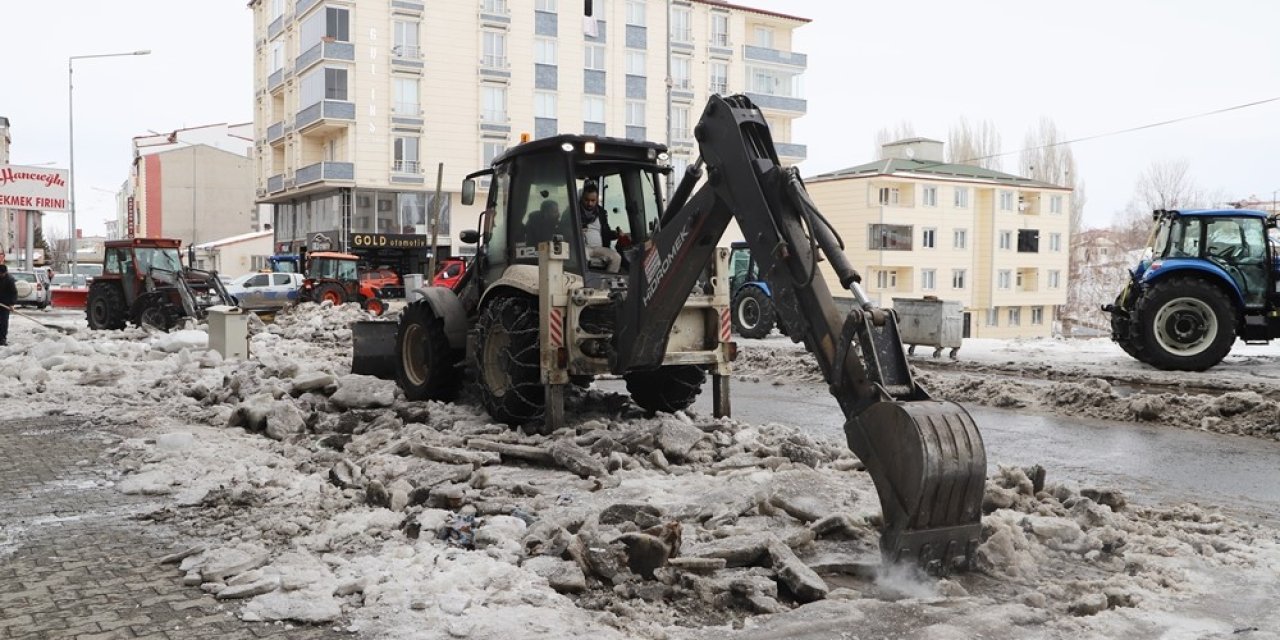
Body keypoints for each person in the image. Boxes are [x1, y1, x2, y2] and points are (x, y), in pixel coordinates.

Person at [579, 184, 622, 273]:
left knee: (616, 257)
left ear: (597, 200)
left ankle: (608, 282)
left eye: (592, 200)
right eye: (586, 200)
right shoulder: (573, 211)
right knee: (582, 258)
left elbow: (606, 232)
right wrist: (577, 232)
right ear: (582, 198)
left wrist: (616, 234)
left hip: (598, 248)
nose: (589, 203)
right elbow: (564, 230)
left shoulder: (601, 213)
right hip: (582, 247)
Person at [0, 265, 16, 346]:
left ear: (5, 272)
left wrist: (12, 304)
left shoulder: (10, 280)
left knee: (3, 322)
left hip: (5, 304)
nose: (0, 275)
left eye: (2, 273)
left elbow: (14, 293)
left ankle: (2, 339)